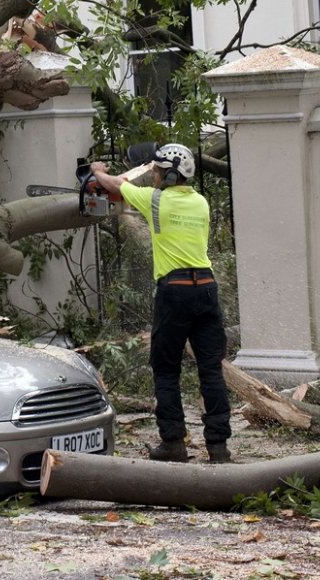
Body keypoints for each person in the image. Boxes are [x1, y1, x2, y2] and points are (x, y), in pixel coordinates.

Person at [90, 144, 232, 463]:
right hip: (207, 288)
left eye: (157, 170)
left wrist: (98, 172)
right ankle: (218, 446)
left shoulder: (156, 200)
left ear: (169, 174)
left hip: (175, 290)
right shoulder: (201, 202)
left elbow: (118, 186)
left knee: (166, 369)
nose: (153, 175)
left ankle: (173, 442)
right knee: (211, 370)